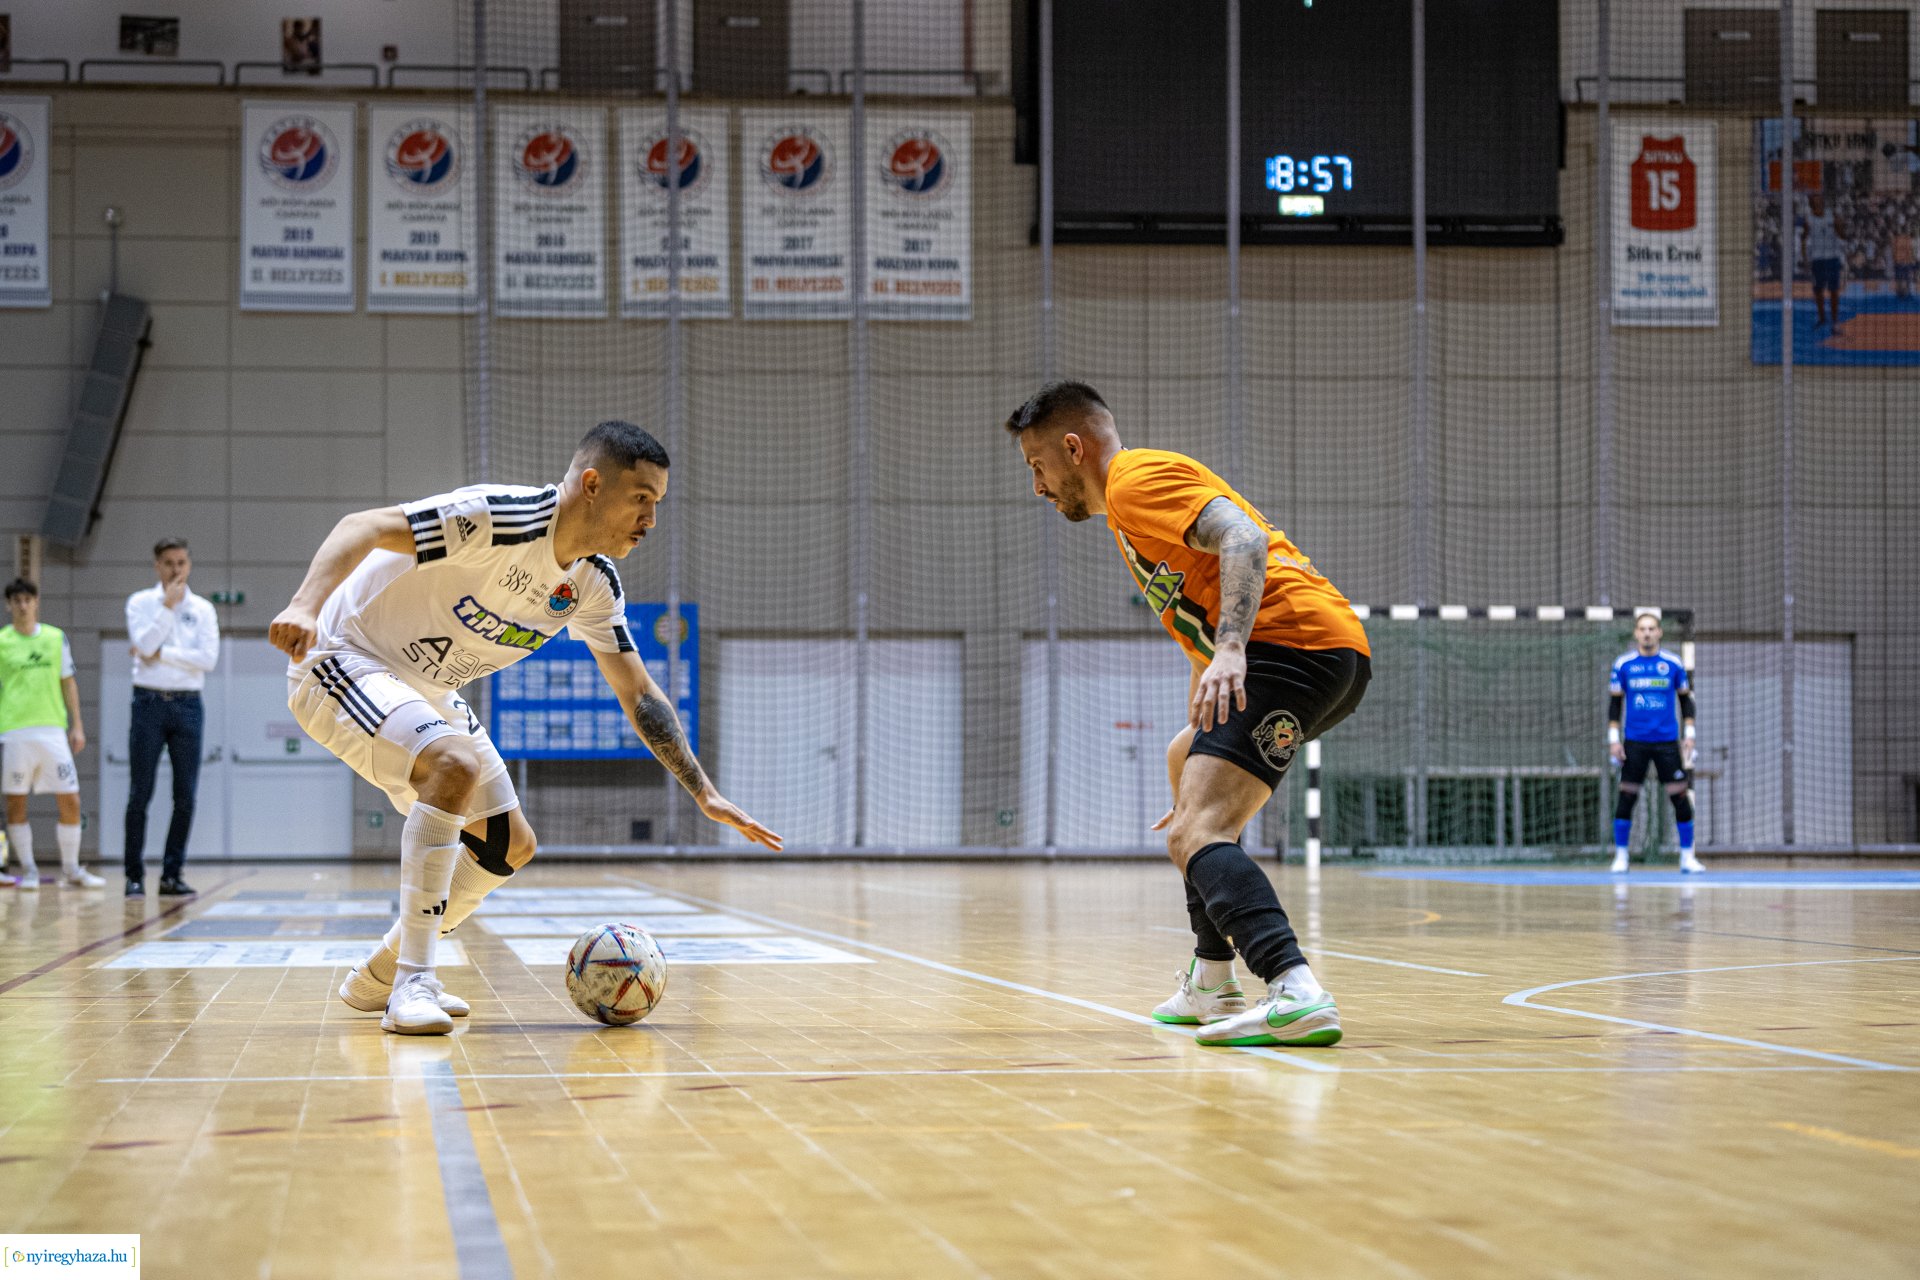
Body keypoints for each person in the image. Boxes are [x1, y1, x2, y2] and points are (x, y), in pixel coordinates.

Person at [270, 420, 781, 1036]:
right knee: (454, 763)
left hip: (425, 686)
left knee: (509, 845)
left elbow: (638, 692)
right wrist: (303, 603)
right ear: (593, 484)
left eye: (658, 503)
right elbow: (362, 527)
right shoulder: (501, 518)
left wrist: (703, 790)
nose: (650, 519)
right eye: (641, 498)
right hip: (343, 656)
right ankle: (413, 980)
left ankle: (376, 978)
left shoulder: (592, 584)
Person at [1005, 382, 1370, 1048]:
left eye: (1037, 465)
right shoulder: (1126, 511)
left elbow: (1245, 539)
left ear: (1072, 447)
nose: (1037, 485)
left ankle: (1294, 988)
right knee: (1184, 771)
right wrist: (1207, 697)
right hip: (1319, 651)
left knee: (1196, 831)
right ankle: (1211, 979)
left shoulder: (1132, 481)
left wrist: (1232, 647)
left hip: (1291, 646)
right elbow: (1199, 613)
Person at [124, 536, 220, 897]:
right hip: (147, 703)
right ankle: (134, 875)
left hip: (188, 705)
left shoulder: (204, 609)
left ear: (189, 564)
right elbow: (144, 646)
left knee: (186, 796)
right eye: (168, 562)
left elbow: (207, 660)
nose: (175, 569)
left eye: (181, 562)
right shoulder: (141, 603)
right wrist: (166, 607)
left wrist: (162, 653)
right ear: (157, 565)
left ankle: (171, 874)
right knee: (140, 792)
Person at [0, 579, 100, 889]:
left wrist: (78, 725)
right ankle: (28, 869)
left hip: (52, 731)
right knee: (16, 803)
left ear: (36, 602)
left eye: (28, 599)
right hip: (14, 731)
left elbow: (68, 682)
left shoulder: (56, 638)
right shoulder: (2, 641)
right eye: (16, 600)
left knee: (70, 799)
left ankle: (71, 869)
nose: (23, 605)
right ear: (9, 605)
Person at [1608, 613, 1702, 875]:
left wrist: (1690, 734)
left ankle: (1687, 857)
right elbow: (1615, 705)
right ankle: (1621, 856)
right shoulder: (1624, 665)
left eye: (1651, 629)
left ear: (1659, 632)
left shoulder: (1672, 664)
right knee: (1627, 795)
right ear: (1636, 634)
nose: (1647, 633)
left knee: (1680, 796)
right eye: (1642, 629)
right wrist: (1613, 741)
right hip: (1635, 742)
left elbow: (1686, 701)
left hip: (1666, 742)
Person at [1800, 192, 1848, 331]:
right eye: (1816, 199)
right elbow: (1804, 238)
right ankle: (1822, 318)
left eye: (1820, 199)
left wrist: (1840, 225)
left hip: (1832, 257)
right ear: (1812, 203)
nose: (1818, 201)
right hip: (1817, 259)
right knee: (1818, 290)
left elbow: (1842, 235)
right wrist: (1804, 258)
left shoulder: (1831, 215)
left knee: (1834, 290)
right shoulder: (1808, 219)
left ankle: (1835, 322)